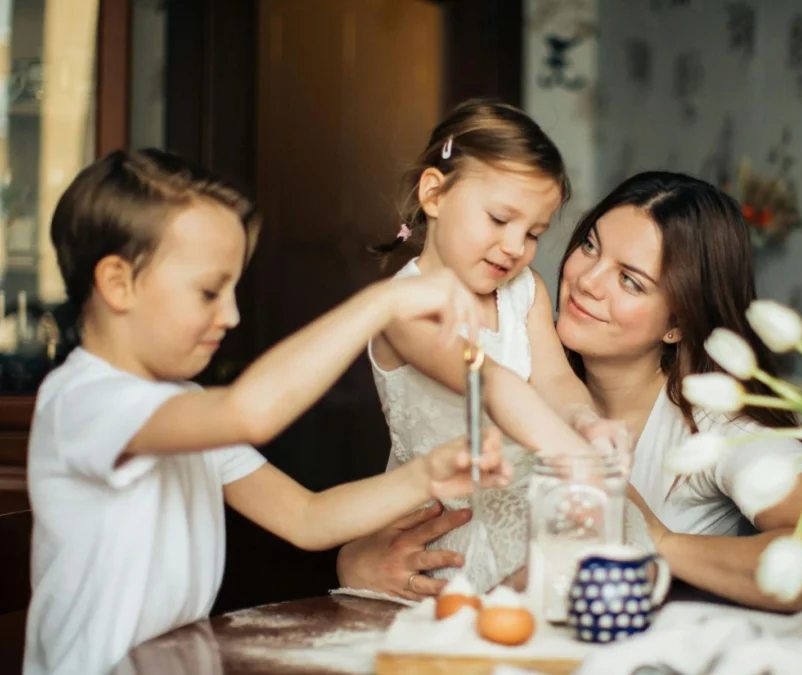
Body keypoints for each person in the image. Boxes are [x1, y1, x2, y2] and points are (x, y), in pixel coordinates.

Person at [24, 149, 510, 675]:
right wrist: (383, 302)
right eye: (209, 291)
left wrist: (426, 476)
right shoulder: (84, 401)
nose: (230, 315)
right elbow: (248, 413)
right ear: (119, 283)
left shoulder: (185, 406)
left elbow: (306, 518)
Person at [341, 172, 802, 618]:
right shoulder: (507, 371)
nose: (587, 281)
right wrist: (358, 560)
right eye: (589, 246)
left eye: (632, 281)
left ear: (679, 323)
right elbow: (404, 515)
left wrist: (657, 541)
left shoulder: (713, 427)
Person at [366, 99, 633, 594]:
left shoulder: (524, 291)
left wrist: (584, 421)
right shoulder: (402, 306)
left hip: (525, 533)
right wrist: (570, 453)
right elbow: (487, 381)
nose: (515, 247)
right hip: (441, 545)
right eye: (498, 219)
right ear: (435, 194)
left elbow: (554, 380)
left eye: (532, 233)